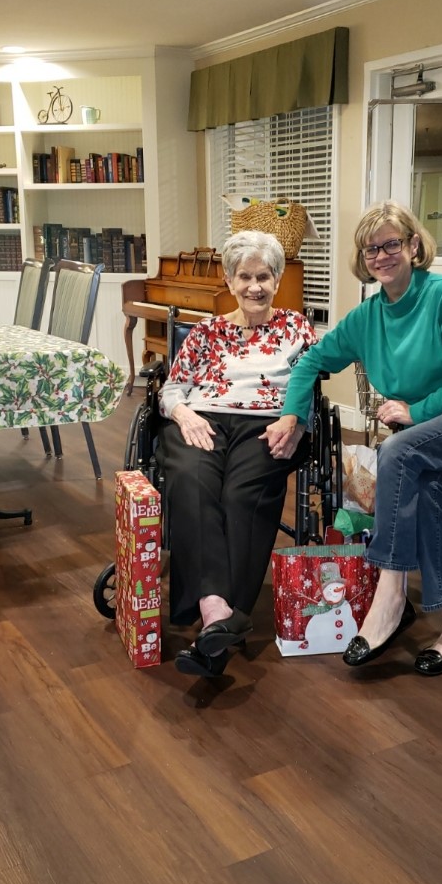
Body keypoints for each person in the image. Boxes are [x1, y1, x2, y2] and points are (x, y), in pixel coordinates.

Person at [262, 200, 442, 677]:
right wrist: (292, 416)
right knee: (422, 485)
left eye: (391, 244)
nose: (381, 256)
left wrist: (416, 411)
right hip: (430, 436)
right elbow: (310, 362)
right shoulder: (367, 318)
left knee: (396, 450)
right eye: (371, 249)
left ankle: (390, 592)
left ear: (413, 245)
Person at [156, 230, 316, 678]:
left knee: (241, 495)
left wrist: (297, 423)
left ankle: (216, 617)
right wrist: (184, 415)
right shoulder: (206, 331)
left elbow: (310, 385)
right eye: (244, 277)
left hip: (268, 422)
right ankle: (218, 611)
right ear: (229, 281)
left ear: (277, 279)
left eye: (264, 276)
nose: (254, 287)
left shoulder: (296, 328)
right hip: (203, 417)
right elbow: (171, 388)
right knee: (191, 480)